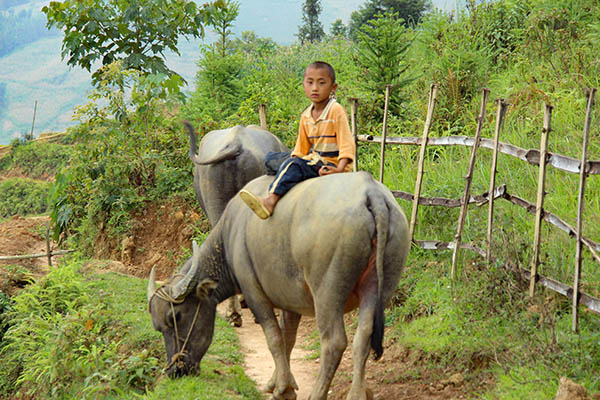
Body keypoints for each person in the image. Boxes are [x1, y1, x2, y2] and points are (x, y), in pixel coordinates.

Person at [239, 61, 355, 219]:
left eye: (321, 83)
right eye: (310, 82)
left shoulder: (336, 111)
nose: (315, 88)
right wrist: (293, 160)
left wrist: (339, 169)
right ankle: (290, 172)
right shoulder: (306, 115)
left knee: (293, 165)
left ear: (333, 88)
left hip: (329, 163)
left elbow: (346, 144)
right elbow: (300, 149)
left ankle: (270, 201)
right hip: (313, 159)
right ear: (304, 86)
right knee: (270, 159)